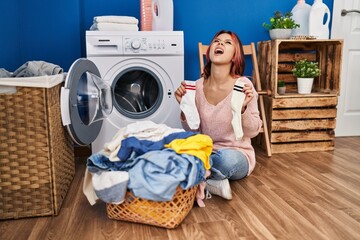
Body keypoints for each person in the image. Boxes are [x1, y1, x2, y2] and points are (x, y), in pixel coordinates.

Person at [174, 30, 262, 200]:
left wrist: (242, 109)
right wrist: (184, 106)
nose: (220, 44)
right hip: (206, 151)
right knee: (176, 147)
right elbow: (194, 129)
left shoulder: (243, 85)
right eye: (217, 41)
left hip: (236, 154)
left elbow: (252, 132)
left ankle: (194, 175)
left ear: (235, 54)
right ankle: (212, 181)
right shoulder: (197, 87)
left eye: (228, 42)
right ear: (210, 50)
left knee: (225, 160)